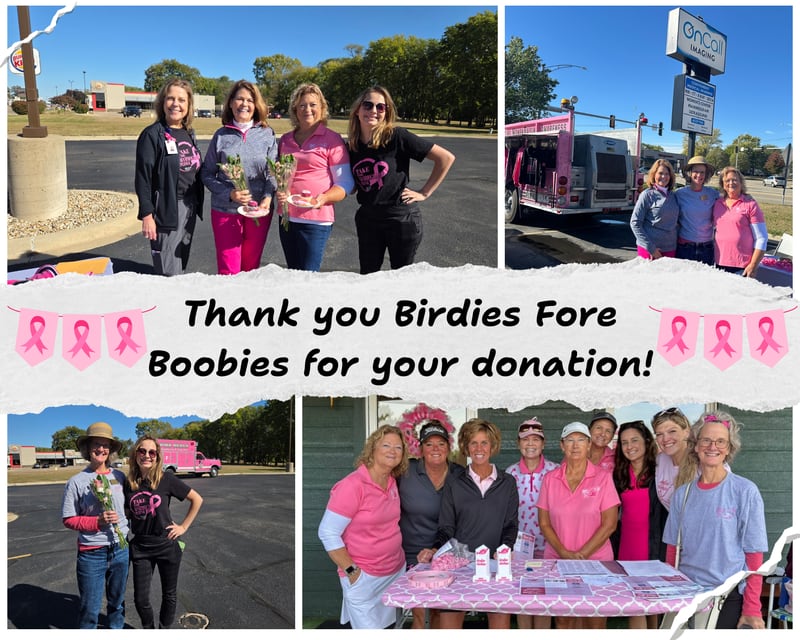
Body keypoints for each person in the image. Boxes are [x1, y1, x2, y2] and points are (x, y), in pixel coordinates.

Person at [663, 412, 768, 629]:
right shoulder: (682, 494)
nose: (713, 446)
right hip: (688, 594)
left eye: (721, 441)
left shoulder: (745, 491)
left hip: (726, 596)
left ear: (729, 448)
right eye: (706, 440)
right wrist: (671, 595)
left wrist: (752, 608)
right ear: (695, 445)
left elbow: (754, 556)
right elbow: (672, 552)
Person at [419, 418, 517, 629]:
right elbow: (446, 526)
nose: (479, 448)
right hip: (458, 563)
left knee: (500, 625)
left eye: (484, 442)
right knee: (449, 627)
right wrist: (435, 548)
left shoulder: (507, 482)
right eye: (473, 443)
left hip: (494, 565)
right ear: (465, 447)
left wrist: (505, 549)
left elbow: (510, 524)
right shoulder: (454, 483)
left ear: (493, 446)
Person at [347, 85, 455, 274]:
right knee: (367, 277)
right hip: (368, 219)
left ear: (386, 112)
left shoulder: (397, 136)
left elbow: (445, 158)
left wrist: (424, 192)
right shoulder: (352, 146)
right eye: (368, 105)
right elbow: (354, 186)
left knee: (401, 279)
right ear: (357, 110)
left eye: (381, 107)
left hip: (401, 220)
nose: (374, 111)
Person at [317, 425, 409, 629]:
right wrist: (352, 571)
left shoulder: (392, 482)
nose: (392, 451)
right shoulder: (353, 485)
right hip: (364, 575)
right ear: (372, 449)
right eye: (386, 445)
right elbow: (327, 532)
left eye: (398, 447)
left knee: (392, 625)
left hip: (394, 571)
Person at [537, 422, 620, 630]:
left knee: (595, 617)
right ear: (562, 446)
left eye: (581, 440)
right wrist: (564, 553)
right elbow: (544, 523)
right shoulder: (550, 479)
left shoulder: (603, 478)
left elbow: (609, 524)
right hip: (558, 559)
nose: (575, 445)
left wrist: (581, 555)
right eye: (570, 440)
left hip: (596, 561)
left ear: (589, 445)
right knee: (564, 618)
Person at [124, 436, 204, 628]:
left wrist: (183, 527)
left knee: (169, 594)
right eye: (142, 451)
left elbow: (197, 499)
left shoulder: (166, 479)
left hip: (166, 544)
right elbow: (127, 512)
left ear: (157, 456)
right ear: (135, 454)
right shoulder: (129, 483)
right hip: (141, 547)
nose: (147, 456)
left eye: (152, 452)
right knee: (140, 599)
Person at [201, 80, 277, 275]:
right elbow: (207, 173)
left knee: (251, 269)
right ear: (231, 103)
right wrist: (229, 193)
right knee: (229, 271)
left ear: (256, 105)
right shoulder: (221, 135)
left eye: (250, 100)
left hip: (258, 211)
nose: (244, 104)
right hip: (225, 211)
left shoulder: (267, 134)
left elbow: (273, 173)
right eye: (240, 99)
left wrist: (268, 197)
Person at [276, 83, 354, 271]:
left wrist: (323, 198)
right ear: (295, 109)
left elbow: (346, 183)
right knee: (292, 274)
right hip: (286, 217)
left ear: (322, 109)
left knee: (308, 276)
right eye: (302, 105)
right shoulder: (286, 139)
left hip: (315, 220)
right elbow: (280, 174)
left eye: (313, 105)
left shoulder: (332, 139)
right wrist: (279, 187)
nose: (307, 109)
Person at [61, 421, 129, 629]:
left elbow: (128, 508)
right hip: (92, 553)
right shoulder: (77, 481)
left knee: (117, 604)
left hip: (121, 550)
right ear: (87, 448)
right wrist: (97, 522)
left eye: (105, 445)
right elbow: (68, 518)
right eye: (96, 444)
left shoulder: (119, 476)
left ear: (111, 450)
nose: (101, 449)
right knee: (90, 609)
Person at [135, 78, 205, 276]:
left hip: (189, 206)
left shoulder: (188, 132)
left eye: (182, 100)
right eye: (171, 98)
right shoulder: (152, 135)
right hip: (166, 207)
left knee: (181, 258)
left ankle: (178, 298)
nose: (176, 104)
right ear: (162, 102)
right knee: (167, 268)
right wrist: (147, 215)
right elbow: (143, 178)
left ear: (188, 105)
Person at [397, 420, 463, 629]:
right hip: (414, 552)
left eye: (441, 443)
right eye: (429, 444)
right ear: (420, 448)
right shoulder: (405, 472)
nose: (435, 449)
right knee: (420, 612)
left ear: (449, 447)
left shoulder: (460, 474)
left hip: (450, 553)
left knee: (440, 611)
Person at [612, 421, 668, 630]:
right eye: (624, 442)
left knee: (653, 606)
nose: (629, 446)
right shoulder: (619, 473)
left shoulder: (660, 471)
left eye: (634, 440)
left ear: (646, 441)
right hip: (627, 548)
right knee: (635, 605)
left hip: (653, 548)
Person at [505, 417, 558, 630]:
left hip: (550, 546)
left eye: (536, 440)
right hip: (519, 549)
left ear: (543, 444)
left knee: (544, 598)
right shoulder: (510, 473)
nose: (530, 444)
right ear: (518, 444)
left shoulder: (555, 472)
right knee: (522, 597)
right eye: (525, 440)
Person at [713, 166, 768, 277]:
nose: (731, 183)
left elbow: (762, 238)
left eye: (734, 180)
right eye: (727, 180)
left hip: (742, 265)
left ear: (741, 183)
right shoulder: (717, 203)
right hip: (719, 262)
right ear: (722, 184)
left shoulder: (750, 204)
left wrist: (753, 264)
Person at [630, 159, 680, 259]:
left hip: (670, 249)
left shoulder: (674, 196)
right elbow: (635, 223)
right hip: (650, 250)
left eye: (667, 174)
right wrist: (651, 248)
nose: (664, 177)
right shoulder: (647, 195)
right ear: (654, 175)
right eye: (660, 173)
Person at [674, 156, 718, 265]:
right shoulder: (679, 194)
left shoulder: (713, 194)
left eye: (702, 172)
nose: (699, 175)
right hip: (685, 247)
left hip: (707, 248)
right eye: (696, 171)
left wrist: (746, 197)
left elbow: (731, 199)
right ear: (689, 173)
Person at [652, 407, 693, 510]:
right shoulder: (660, 460)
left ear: (687, 432)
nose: (665, 439)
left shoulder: (706, 463)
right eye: (659, 434)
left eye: (672, 431)